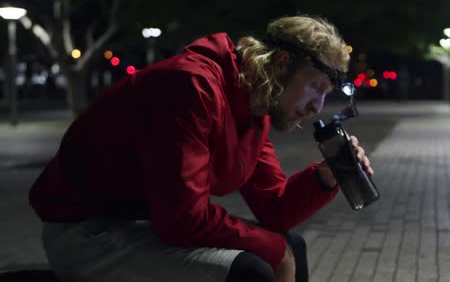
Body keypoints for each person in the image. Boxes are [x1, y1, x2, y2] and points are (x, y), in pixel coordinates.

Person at [29, 15, 374, 282]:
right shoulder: (191, 87)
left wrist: (325, 178)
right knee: (252, 270)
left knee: (289, 244)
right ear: (282, 63)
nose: (318, 106)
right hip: (85, 232)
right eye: (316, 86)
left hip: (138, 223)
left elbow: (275, 209)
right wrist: (274, 251)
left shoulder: (255, 107)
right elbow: (183, 219)